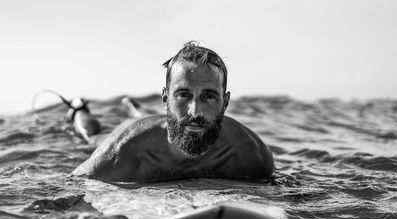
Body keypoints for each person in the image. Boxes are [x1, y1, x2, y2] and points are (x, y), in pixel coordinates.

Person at [72, 41, 275, 182]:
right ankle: (79, 108)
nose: (195, 111)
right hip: (134, 130)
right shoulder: (124, 150)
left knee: (175, 118)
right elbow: (69, 189)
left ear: (225, 102)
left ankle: (135, 105)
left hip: (166, 120)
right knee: (93, 135)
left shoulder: (252, 154)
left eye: (209, 96)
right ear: (165, 99)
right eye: (184, 94)